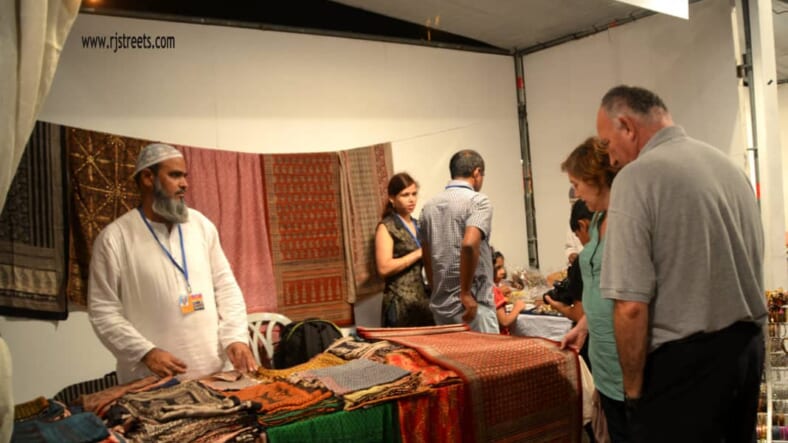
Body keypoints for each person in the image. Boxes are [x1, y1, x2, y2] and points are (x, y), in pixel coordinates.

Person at [596, 85, 767, 442]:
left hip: (684, 369)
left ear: (627, 126)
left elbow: (630, 306)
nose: (611, 159)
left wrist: (633, 394)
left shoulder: (637, 178)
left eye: (608, 144)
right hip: (746, 352)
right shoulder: (730, 168)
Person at [88, 143, 257, 384]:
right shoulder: (115, 238)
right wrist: (145, 352)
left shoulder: (201, 225)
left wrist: (235, 338)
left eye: (185, 176)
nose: (185, 184)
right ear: (148, 178)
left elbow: (226, 287)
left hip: (214, 372)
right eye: (175, 175)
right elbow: (103, 310)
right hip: (154, 378)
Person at [550, 137, 628, 442]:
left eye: (577, 184)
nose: (577, 193)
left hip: (626, 361)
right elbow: (599, 286)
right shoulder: (597, 223)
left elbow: (631, 299)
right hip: (604, 358)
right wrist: (584, 325)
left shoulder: (628, 220)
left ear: (596, 179)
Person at [420, 149, 498, 333]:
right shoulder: (478, 202)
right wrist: (465, 293)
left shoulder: (428, 207)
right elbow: (469, 245)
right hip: (473, 306)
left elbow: (427, 256)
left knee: (451, 353)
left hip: (442, 305)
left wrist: (436, 289)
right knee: (487, 352)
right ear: (477, 173)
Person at [374, 172, 433, 327]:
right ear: (392, 198)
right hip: (399, 301)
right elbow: (383, 268)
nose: (411, 199)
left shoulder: (418, 224)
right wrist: (418, 254)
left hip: (422, 299)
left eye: (414, 194)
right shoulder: (387, 226)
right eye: (405, 195)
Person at [493, 263, 525, 335]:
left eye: (503, 267)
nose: (503, 272)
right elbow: (504, 322)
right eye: (498, 268)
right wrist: (518, 307)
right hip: (500, 336)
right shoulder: (494, 291)